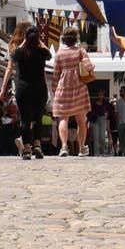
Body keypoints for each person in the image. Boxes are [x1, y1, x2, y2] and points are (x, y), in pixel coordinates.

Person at [0, 22, 51, 160]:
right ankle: (38, 146)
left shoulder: (20, 52)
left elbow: (14, 56)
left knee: (25, 120)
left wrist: (24, 43)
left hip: (24, 88)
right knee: (38, 118)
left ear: (26, 38)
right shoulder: (42, 52)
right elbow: (49, 54)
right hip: (40, 88)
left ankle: (27, 149)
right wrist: (39, 41)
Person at [50, 28, 94, 157]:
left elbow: (55, 74)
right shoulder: (81, 51)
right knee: (81, 120)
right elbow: (88, 66)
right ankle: (81, 148)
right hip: (79, 87)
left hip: (63, 88)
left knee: (63, 118)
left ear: (64, 39)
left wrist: (54, 89)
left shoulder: (59, 53)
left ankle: (64, 146)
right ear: (76, 39)